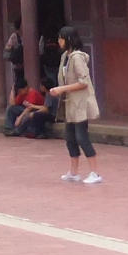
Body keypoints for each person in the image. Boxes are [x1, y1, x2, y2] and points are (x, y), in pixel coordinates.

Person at [49, 26, 103, 184]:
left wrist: (62, 89)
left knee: (81, 137)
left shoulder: (77, 57)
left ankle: (95, 172)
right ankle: (74, 172)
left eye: (61, 38)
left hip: (79, 103)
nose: (59, 41)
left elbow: (83, 82)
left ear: (68, 40)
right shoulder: (65, 57)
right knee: (70, 138)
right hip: (70, 104)